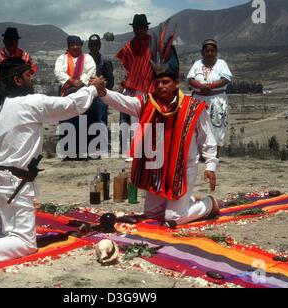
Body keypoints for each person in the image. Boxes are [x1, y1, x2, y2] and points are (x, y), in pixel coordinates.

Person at [0, 58, 104, 266]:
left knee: (0, 231)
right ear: (18, 79)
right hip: (12, 182)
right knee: (26, 243)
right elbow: (72, 105)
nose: (32, 80)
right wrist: (92, 89)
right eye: (29, 76)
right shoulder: (31, 103)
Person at [91, 23, 220, 226]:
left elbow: (208, 139)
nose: (160, 86)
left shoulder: (193, 106)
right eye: (157, 82)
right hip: (157, 168)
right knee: (151, 214)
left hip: (183, 168)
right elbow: (125, 102)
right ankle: (184, 202)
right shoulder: (148, 102)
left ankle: (209, 204)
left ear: (176, 83)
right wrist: (104, 93)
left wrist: (211, 165)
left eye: (165, 82)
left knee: (173, 218)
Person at [116, 14, 155, 159]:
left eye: (141, 28)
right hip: (134, 87)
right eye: (136, 28)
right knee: (135, 121)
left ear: (146, 28)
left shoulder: (154, 44)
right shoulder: (129, 46)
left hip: (152, 86)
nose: (139, 31)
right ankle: (135, 151)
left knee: (151, 119)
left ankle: (151, 151)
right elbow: (125, 67)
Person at [55, 36, 96, 160]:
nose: (75, 47)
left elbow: (90, 71)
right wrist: (72, 81)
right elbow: (58, 72)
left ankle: (82, 151)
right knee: (67, 121)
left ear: (81, 45)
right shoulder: (62, 59)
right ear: (68, 46)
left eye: (77, 44)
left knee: (83, 122)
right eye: (72, 45)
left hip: (82, 93)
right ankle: (67, 151)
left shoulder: (87, 58)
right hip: (67, 93)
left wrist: (81, 82)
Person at [187, 39, 233, 152]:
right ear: (202, 52)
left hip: (216, 100)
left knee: (216, 125)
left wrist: (210, 86)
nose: (210, 53)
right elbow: (190, 79)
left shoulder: (221, 63)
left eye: (212, 51)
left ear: (216, 52)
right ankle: (200, 151)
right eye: (207, 51)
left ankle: (215, 152)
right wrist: (201, 87)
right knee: (199, 125)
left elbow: (226, 79)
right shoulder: (197, 64)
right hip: (199, 99)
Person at [88, 34, 115, 155]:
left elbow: (111, 80)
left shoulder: (105, 61)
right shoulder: (84, 60)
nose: (94, 47)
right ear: (89, 46)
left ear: (99, 46)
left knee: (101, 120)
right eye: (92, 45)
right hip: (88, 95)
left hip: (100, 96)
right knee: (89, 120)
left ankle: (103, 146)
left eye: (96, 45)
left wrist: (103, 92)